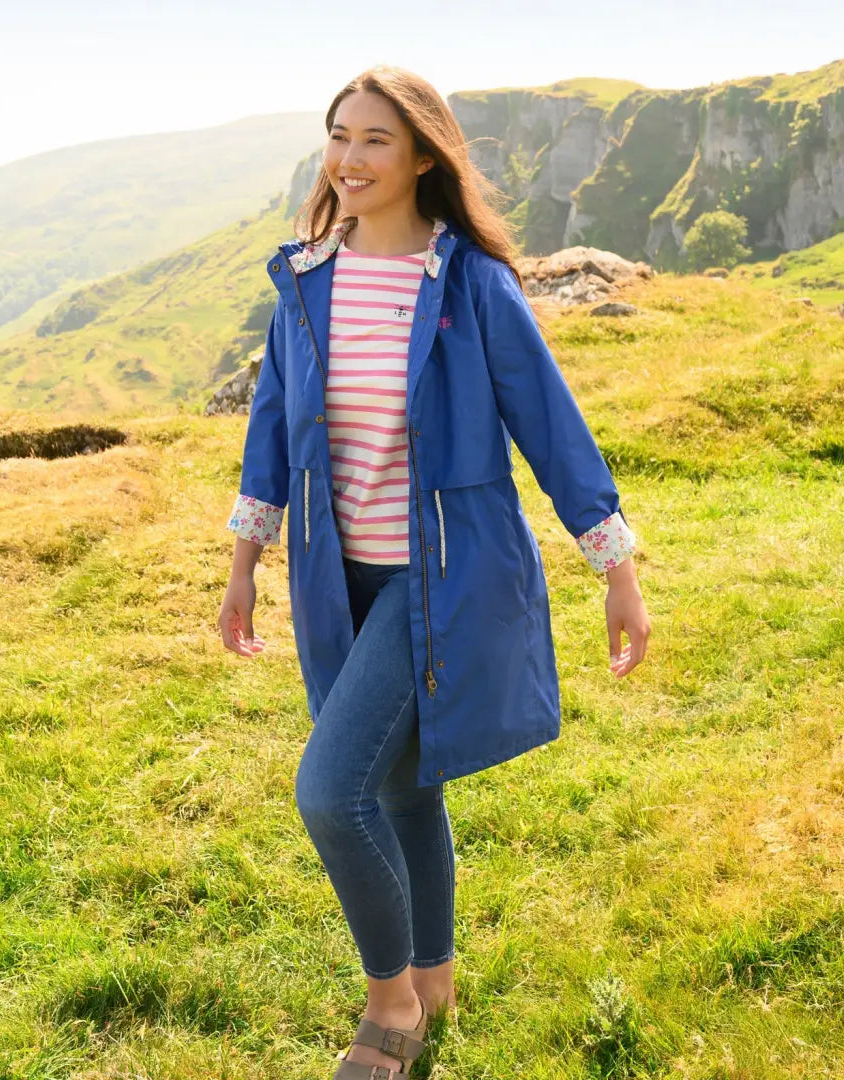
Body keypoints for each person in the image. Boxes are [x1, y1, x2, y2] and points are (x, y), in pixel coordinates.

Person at [219, 65, 651, 1079]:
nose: (351, 158)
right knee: (405, 787)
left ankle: (393, 1005)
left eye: (375, 139)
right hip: (339, 582)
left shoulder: (469, 285)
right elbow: (272, 431)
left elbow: (552, 429)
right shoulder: (307, 278)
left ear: (422, 154)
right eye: (339, 136)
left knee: (331, 793)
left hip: (439, 581)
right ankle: (440, 972)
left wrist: (616, 569)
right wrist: (246, 560)